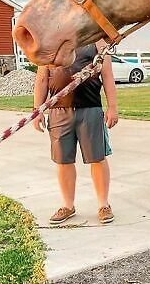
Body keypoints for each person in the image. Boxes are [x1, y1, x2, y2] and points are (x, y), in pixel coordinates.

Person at [33, 41, 119, 225]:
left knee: (97, 157)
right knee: (63, 160)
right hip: (58, 111)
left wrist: (112, 107)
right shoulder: (49, 40)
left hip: (90, 109)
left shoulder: (98, 42)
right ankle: (67, 205)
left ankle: (103, 205)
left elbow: (108, 76)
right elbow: (41, 79)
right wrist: (37, 110)